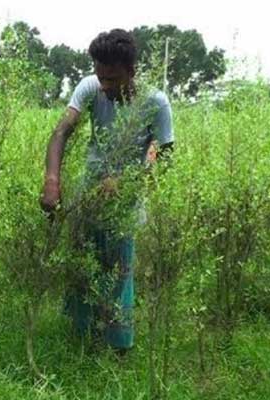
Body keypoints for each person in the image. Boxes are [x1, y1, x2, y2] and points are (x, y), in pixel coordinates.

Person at [39, 29, 174, 352]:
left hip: (125, 205)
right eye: (101, 76)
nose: (105, 86)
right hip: (87, 196)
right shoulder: (90, 86)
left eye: (112, 79)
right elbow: (61, 132)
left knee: (119, 274)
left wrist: (125, 182)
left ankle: (117, 348)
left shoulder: (155, 102)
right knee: (82, 265)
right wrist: (52, 181)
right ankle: (80, 337)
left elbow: (166, 158)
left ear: (132, 72)